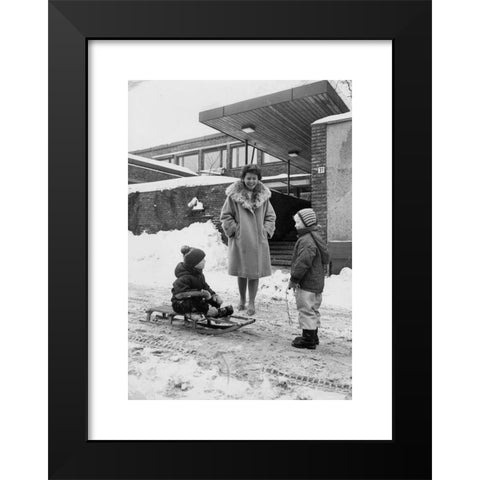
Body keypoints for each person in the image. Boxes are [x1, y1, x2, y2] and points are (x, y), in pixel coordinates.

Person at [220, 164, 276, 316]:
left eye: (254, 178)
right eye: (248, 178)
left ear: (258, 179)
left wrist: (265, 231)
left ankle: (251, 302)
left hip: (258, 241)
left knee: (254, 273)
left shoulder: (264, 197)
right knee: (242, 271)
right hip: (241, 240)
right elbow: (225, 215)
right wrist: (235, 230)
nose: (251, 181)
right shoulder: (234, 196)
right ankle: (242, 299)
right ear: (243, 179)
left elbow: (270, 216)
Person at [287, 208, 330, 349]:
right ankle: (313, 335)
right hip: (316, 283)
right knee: (313, 309)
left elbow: (303, 263)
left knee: (306, 310)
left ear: (306, 223)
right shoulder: (316, 237)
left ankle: (308, 340)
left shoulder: (306, 241)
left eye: (297, 222)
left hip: (307, 283)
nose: (295, 225)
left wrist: (294, 279)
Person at [171, 245, 233, 318]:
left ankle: (215, 310)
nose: (205, 261)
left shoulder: (198, 274)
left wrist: (213, 295)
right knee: (195, 302)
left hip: (196, 300)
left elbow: (205, 286)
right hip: (180, 303)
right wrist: (201, 294)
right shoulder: (184, 278)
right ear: (194, 263)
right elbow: (181, 295)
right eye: (202, 260)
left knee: (210, 299)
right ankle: (201, 312)